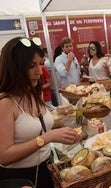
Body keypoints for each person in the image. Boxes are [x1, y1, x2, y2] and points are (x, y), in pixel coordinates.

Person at [0, 37, 82, 188]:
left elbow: (37, 125)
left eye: (40, 63)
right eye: (32, 66)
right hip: (22, 178)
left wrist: (65, 123)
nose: (39, 71)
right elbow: (4, 156)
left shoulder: (33, 92)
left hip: (47, 167)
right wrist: (47, 138)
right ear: (14, 68)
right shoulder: (5, 103)